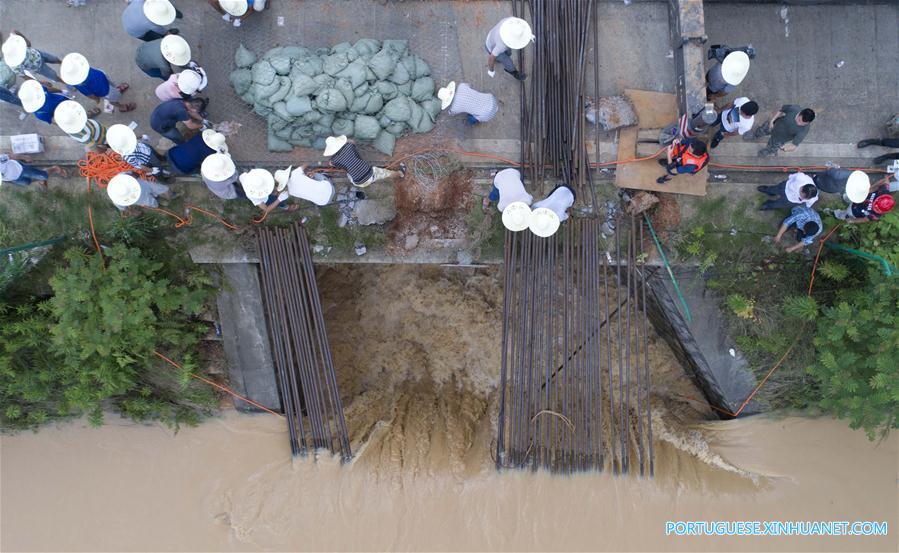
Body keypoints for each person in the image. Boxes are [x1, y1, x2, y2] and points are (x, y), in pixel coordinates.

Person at [60, 53, 134, 114]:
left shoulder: (82, 66)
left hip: (104, 79)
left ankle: (116, 90)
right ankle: (121, 107)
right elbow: (90, 95)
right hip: (104, 90)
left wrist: (97, 99)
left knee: (113, 87)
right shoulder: (79, 85)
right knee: (113, 99)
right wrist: (97, 99)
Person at [324, 135, 405, 187]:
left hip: (357, 182)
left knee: (349, 173)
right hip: (369, 173)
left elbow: (330, 163)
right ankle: (400, 174)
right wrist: (346, 141)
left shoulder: (334, 160)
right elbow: (352, 141)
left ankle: (371, 180)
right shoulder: (349, 146)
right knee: (386, 173)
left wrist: (333, 157)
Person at [746, 105, 815, 157]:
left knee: (772, 147)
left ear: (808, 122)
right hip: (774, 125)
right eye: (799, 120)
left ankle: (767, 151)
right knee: (761, 130)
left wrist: (786, 149)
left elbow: (794, 145)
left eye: (803, 123)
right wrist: (772, 121)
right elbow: (781, 110)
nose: (799, 124)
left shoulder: (805, 129)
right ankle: (755, 135)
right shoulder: (794, 108)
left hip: (780, 139)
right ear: (800, 113)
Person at [485, 17, 534, 81]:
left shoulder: (510, 21)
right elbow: (491, 58)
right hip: (491, 47)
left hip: (492, 36)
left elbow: (519, 30)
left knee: (508, 53)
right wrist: (491, 70)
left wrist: (528, 36)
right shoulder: (501, 45)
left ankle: (499, 59)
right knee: (508, 61)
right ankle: (513, 72)